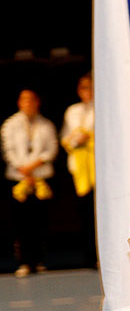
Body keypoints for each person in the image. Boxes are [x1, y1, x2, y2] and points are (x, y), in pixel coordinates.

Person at [1, 89, 58, 277]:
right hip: (19, 178)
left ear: (37, 102)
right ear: (19, 103)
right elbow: (7, 149)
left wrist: (34, 166)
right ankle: (23, 261)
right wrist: (23, 168)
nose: (29, 104)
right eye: (25, 100)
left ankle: (39, 259)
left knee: (39, 220)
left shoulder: (46, 124)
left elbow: (51, 149)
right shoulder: (10, 124)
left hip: (41, 178)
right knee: (20, 222)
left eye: (32, 100)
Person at [60, 72, 96, 267]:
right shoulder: (72, 111)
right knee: (84, 213)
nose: (87, 91)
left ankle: (101, 254)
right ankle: (89, 255)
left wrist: (88, 136)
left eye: (90, 87)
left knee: (100, 213)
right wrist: (78, 138)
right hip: (80, 168)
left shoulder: (102, 108)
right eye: (83, 88)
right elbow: (66, 138)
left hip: (98, 168)